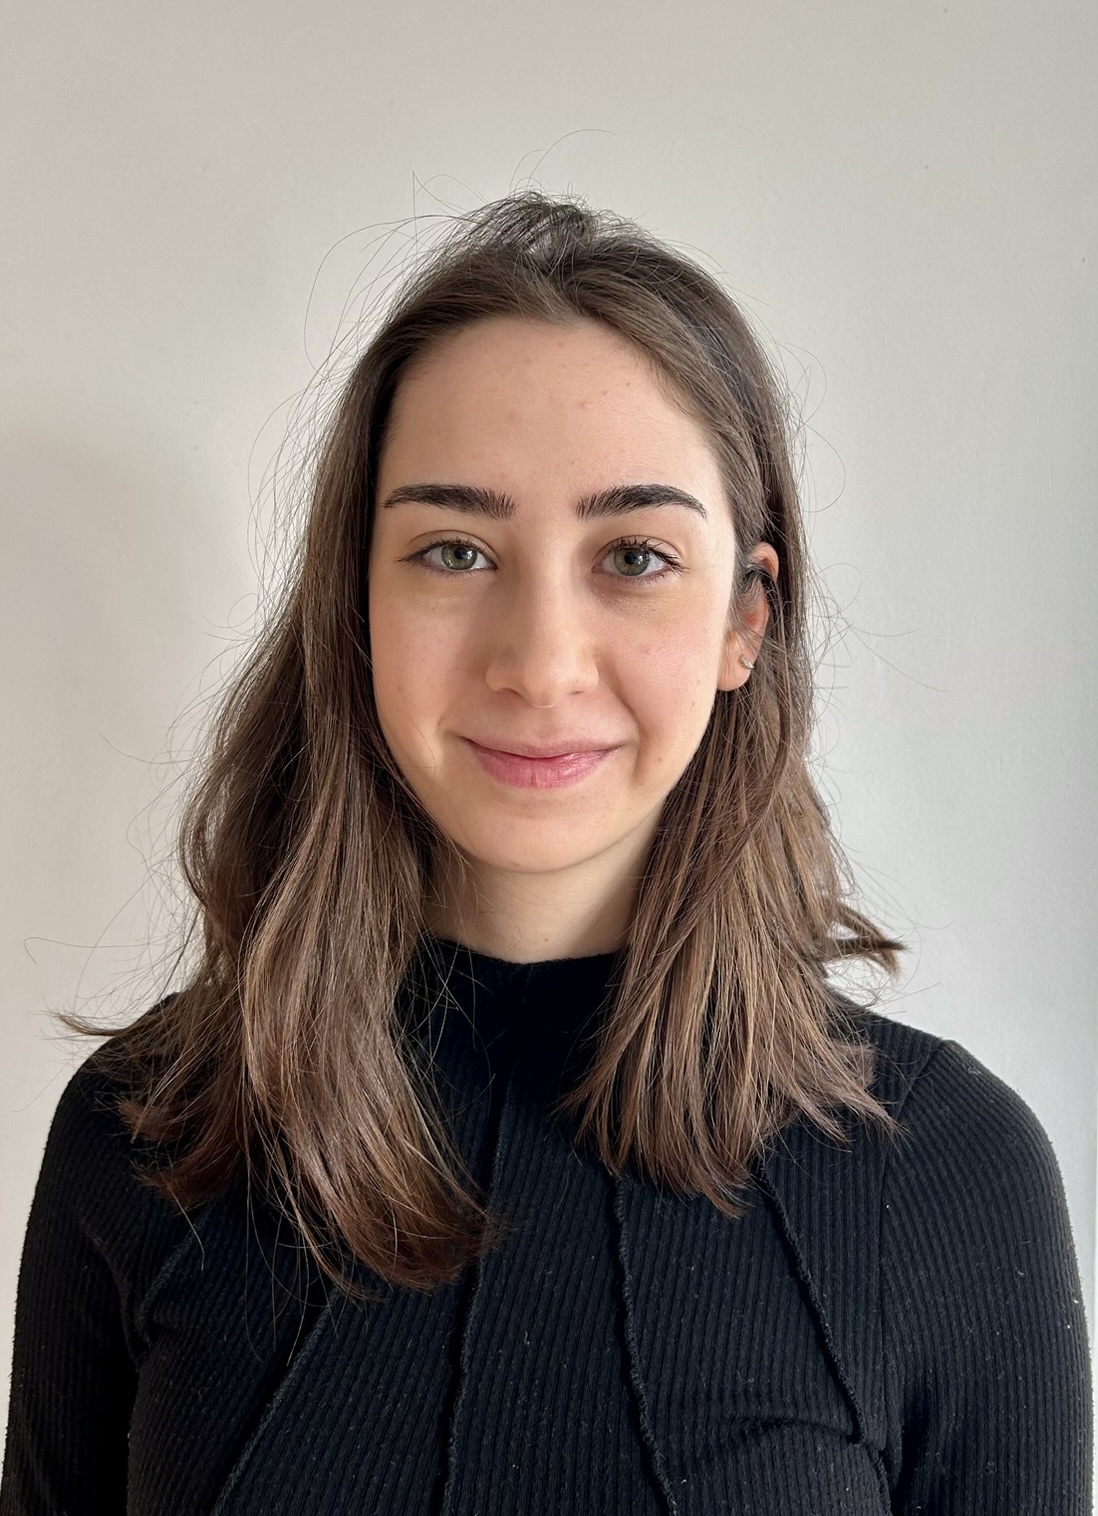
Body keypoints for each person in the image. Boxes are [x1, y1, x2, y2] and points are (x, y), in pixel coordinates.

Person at [1, 192, 1090, 1515]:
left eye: (633, 555)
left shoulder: (952, 1178)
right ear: (358, 599)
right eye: (455, 550)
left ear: (745, 620)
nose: (539, 663)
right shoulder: (144, 1137)